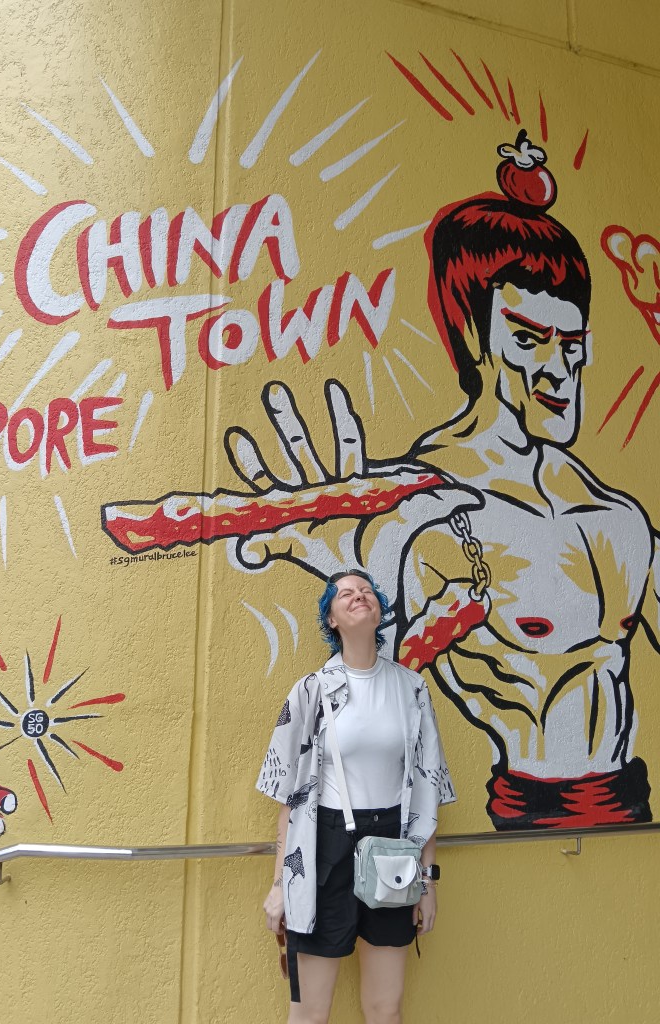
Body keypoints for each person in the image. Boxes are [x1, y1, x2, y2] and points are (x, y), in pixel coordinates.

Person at [235, 133, 656, 829]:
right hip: (523, 819)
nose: (559, 370)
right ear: (472, 336)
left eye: (571, 344)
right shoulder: (426, 507)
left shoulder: (620, 514)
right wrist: (352, 588)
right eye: (528, 340)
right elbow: (381, 689)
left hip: (631, 814)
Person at [257, 570, 455, 1024]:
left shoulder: (411, 689)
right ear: (331, 617)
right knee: (308, 1011)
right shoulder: (310, 691)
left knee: (385, 1009)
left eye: (366, 591)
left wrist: (428, 884)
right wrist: (279, 885)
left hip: (393, 848)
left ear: (379, 610)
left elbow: (426, 793)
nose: (358, 596)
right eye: (345, 593)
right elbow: (291, 798)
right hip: (324, 848)